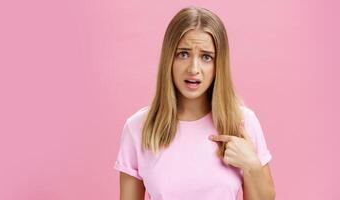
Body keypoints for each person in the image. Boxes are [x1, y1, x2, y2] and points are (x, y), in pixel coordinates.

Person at [114, 6, 275, 200]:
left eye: (206, 57)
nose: (193, 68)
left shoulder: (242, 123)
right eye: (183, 54)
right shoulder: (138, 127)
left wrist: (251, 165)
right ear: (169, 59)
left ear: (218, 66)